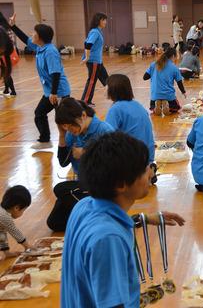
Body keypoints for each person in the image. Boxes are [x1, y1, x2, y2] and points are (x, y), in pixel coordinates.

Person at [61, 132, 185, 308]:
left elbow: (105, 226)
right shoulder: (108, 239)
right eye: (144, 169)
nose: (151, 172)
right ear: (120, 184)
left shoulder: (84, 206)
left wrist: (144, 219)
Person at [10, 17, 71, 150]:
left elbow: (56, 73)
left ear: (40, 37)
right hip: (50, 92)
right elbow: (24, 38)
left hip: (59, 92)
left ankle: (72, 143)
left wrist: (54, 93)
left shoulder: (50, 52)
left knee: (62, 120)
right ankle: (45, 140)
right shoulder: (40, 48)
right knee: (39, 113)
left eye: (34, 33)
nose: (32, 35)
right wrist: (13, 26)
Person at [105, 74, 157, 184]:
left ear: (112, 90)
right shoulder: (138, 105)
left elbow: (107, 137)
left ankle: (138, 174)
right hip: (148, 155)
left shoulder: (115, 109)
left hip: (132, 157)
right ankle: (145, 171)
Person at [55, 97, 115, 174]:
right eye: (65, 126)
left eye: (70, 125)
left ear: (83, 115)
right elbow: (63, 163)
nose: (68, 129)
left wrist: (85, 153)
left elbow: (113, 164)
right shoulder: (71, 134)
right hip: (82, 182)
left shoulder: (105, 131)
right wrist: (62, 135)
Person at [143, 48, 186, 115]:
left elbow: (145, 77)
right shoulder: (174, 67)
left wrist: (154, 73)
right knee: (176, 109)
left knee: (154, 105)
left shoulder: (154, 64)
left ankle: (156, 105)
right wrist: (184, 92)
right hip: (168, 96)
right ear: (173, 56)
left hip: (155, 95)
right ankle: (167, 105)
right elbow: (179, 82)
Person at [81, 12, 109, 106]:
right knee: (92, 81)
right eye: (104, 20)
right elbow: (88, 44)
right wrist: (87, 57)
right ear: (99, 21)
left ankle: (117, 98)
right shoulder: (95, 32)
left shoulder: (98, 31)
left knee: (107, 80)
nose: (105, 22)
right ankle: (85, 102)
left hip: (98, 61)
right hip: (93, 61)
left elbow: (86, 43)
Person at [0, 185, 32, 260]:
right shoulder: (4, 217)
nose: (23, 212)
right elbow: (16, 233)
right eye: (23, 210)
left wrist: (6, 253)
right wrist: (27, 246)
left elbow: (1, 236)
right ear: (16, 208)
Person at [0, 12, 17, 97]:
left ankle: (13, 90)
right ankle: (7, 89)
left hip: (6, 54)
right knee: (5, 72)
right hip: (11, 53)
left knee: (6, 72)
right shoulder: (7, 27)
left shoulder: (2, 30)